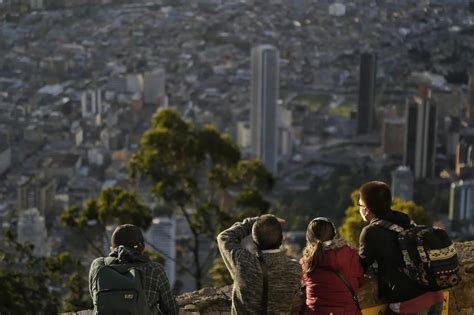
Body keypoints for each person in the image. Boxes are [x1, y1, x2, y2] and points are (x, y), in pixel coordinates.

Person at [358, 181, 443, 315]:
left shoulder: (370, 232)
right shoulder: (403, 218)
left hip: (409, 303)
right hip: (434, 295)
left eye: (360, 205)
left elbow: (360, 266)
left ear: (366, 209)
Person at [217, 214, 302, 314]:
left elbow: (224, 237)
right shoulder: (294, 269)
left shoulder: (243, 262)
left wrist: (253, 222)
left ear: (254, 240)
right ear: (282, 239)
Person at [89, 224, 178, 315]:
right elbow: (171, 309)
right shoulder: (154, 270)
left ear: (112, 249)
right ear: (142, 248)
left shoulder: (98, 265)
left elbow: (95, 299)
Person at [300, 217, 363, 315]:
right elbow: (360, 280)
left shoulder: (306, 260)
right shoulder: (350, 254)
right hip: (347, 311)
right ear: (334, 234)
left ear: (309, 238)